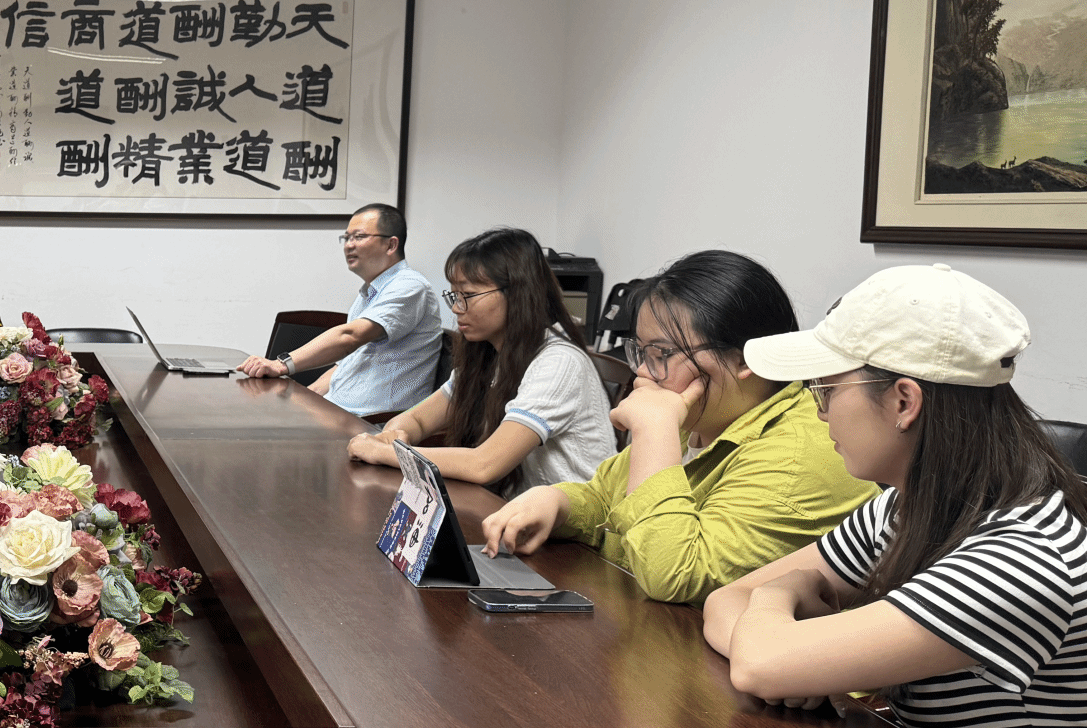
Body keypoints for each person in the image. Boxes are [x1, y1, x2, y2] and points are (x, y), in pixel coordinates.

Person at [704, 265, 1087, 728]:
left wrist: (778, 597)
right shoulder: (907, 505)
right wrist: (783, 650)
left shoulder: (1025, 554)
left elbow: (758, 661)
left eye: (826, 389)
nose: (819, 412)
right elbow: (724, 603)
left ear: (905, 401)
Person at [479, 250, 873, 605]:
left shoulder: (798, 455)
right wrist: (557, 502)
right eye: (640, 351)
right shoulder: (702, 410)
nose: (643, 372)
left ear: (744, 358)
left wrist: (654, 431)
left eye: (662, 353)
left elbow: (674, 574)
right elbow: (605, 497)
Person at [347, 227, 615, 494]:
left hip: (574, 518)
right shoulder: (489, 355)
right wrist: (397, 435)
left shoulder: (559, 362)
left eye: (468, 295)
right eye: (454, 296)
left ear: (517, 293)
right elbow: (417, 419)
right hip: (515, 507)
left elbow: (485, 464)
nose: (456, 308)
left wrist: (385, 453)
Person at [236, 203, 444, 416]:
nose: (348, 245)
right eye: (346, 238)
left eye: (359, 237)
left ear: (391, 245)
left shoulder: (410, 286)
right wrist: (303, 401)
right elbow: (345, 364)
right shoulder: (370, 293)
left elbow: (349, 337)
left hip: (371, 423)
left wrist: (281, 365)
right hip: (337, 412)